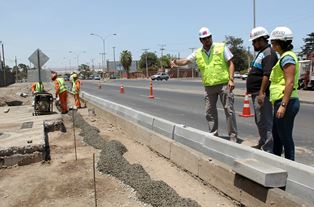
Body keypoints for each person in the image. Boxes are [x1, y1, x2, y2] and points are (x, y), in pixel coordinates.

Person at [171, 27, 238, 142]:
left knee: (229, 111)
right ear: (200, 40)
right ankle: (213, 135)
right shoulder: (198, 53)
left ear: (211, 37)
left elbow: (231, 63)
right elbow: (186, 61)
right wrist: (176, 62)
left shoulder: (221, 47)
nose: (207, 40)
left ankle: (233, 138)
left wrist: (231, 79)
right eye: (204, 38)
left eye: (209, 37)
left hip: (224, 85)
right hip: (209, 87)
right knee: (209, 112)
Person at [269, 26, 300, 160]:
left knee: (285, 137)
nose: (272, 44)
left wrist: (283, 105)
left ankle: (291, 166)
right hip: (282, 101)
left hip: (286, 102)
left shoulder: (287, 58)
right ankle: (277, 163)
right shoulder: (283, 57)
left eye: (274, 41)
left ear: (280, 42)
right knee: (277, 135)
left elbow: (289, 83)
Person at [247, 27, 278, 152]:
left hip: (261, 93)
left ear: (261, 40)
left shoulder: (268, 54)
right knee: (260, 120)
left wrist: (261, 93)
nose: (253, 44)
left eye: (254, 41)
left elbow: (267, 74)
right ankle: (263, 142)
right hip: (256, 92)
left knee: (265, 121)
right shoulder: (262, 52)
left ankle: (268, 149)